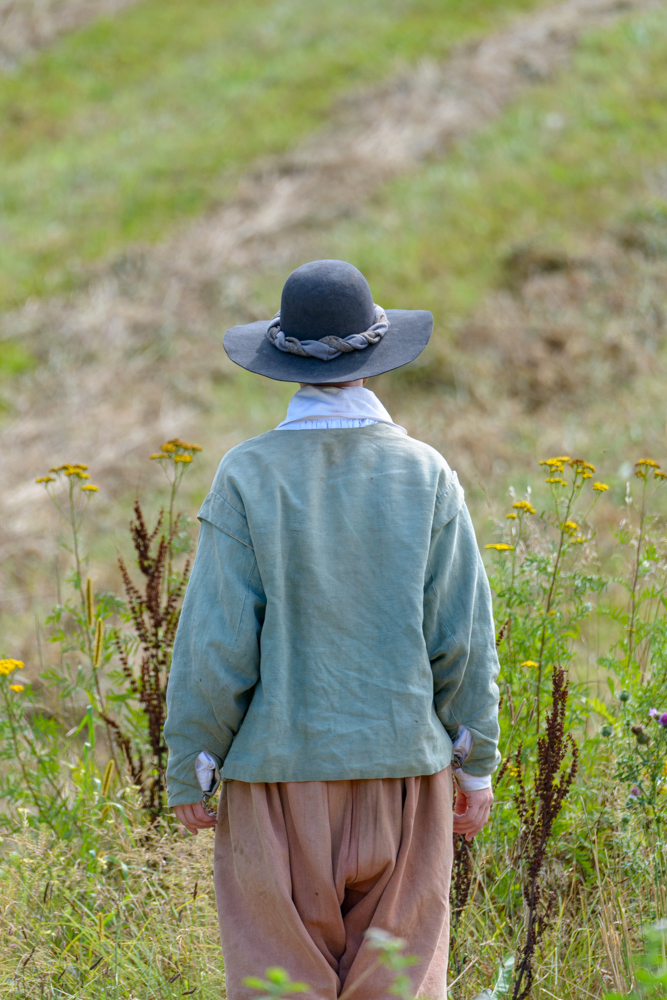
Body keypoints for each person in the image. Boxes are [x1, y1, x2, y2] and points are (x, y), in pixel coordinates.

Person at [164, 259, 500, 1000]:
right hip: (404, 778)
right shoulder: (425, 474)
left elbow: (216, 643)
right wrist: (475, 764)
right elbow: (463, 638)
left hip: (274, 785)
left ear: (283, 361)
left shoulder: (245, 475)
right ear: (373, 358)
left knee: (280, 990)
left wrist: (193, 760)